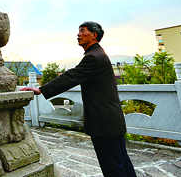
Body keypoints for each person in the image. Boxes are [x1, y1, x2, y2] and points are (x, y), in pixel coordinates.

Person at [21, 21, 136, 177]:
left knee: (113, 168)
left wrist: (41, 89)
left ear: (94, 35)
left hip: (104, 123)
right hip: (111, 120)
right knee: (121, 162)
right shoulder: (98, 54)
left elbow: (72, 76)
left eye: (82, 31)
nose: (78, 34)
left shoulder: (93, 57)